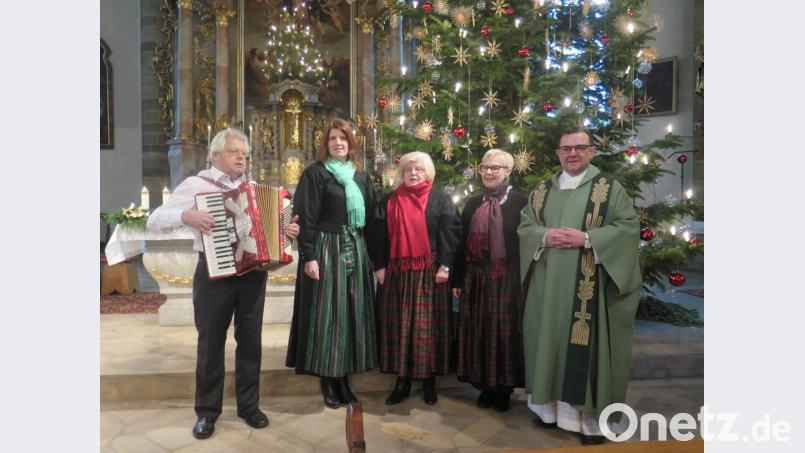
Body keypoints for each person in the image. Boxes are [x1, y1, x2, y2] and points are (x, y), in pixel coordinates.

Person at [147, 128, 300, 440]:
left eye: (244, 153)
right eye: (234, 152)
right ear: (215, 155)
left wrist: (288, 230)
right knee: (211, 346)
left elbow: (273, 229)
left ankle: (249, 406)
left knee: (251, 343)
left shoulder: (254, 188)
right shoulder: (196, 185)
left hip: (252, 276)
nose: (241, 157)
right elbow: (156, 219)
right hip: (213, 276)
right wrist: (187, 215)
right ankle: (207, 412)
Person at [518, 128, 641, 445]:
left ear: (591, 152)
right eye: (566, 149)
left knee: (583, 350)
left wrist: (587, 239)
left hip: (587, 290)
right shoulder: (542, 190)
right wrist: (544, 236)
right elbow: (525, 226)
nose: (572, 154)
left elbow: (627, 228)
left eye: (579, 148)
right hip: (547, 289)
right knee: (548, 345)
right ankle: (549, 412)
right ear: (557, 153)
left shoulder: (608, 188)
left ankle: (587, 424)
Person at [285, 118, 378, 409]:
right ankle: (327, 378)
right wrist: (309, 256)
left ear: (352, 143)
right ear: (325, 143)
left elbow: (373, 218)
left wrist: (377, 260)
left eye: (344, 138)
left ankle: (344, 377)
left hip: (356, 248)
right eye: (333, 138)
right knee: (328, 316)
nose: (338, 143)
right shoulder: (315, 174)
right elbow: (305, 216)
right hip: (327, 249)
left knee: (352, 313)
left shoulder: (361, 177)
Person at [368, 151, 461, 406]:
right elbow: (376, 235)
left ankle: (429, 381)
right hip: (396, 272)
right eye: (408, 169)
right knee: (399, 326)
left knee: (427, 329)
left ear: (427, 173)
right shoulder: (388, 201)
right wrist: (379, 266)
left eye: (418, 169)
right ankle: (402, 381)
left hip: (429, 272)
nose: (413, 173)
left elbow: (450, 232)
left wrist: (445, 266)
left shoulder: (441, 200)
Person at [451, 149, 528, 413]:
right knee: (479, 332)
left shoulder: (521, 202)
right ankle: (484, 386)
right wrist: (457, 279)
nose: (490, 172)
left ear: (508, 172)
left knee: (503, 334)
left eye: (496, 168)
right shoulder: (473, 203)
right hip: (476, 278)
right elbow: (461, 244)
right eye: (486, 167)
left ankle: (503, 390)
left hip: (506, 277)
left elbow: (528, 242)